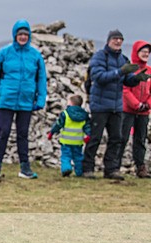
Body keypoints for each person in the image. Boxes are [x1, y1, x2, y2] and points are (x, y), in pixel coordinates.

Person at [83, 29, 149, 180]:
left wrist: (138, 78)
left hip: (116, 106)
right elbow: (98, 77)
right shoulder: (100, 56)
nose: (118, 41)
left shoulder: (123, 59)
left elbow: (127, 81)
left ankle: (111, 170)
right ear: (108, 40)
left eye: (120, 39)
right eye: (115, 39)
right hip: (99, 105)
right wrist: (120, 72)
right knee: (95, 137)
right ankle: (87, 168)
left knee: (116, 138)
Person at [0, 20, 47, 180]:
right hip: (6, 98)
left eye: (26, 35)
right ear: (15, 35)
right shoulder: (5, 53)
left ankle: (25, 168)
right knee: (3, 132)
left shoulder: (35, 55)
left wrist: (41, 99)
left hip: (26, 100)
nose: (23, 37)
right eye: (20, 34)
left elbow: (41, 78)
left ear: (29, 36)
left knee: (23, 134)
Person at [120, 40, 151, 178]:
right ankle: (114, 165)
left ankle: (140, 167)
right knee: (122, 137)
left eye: (147, 52)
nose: (146, 54)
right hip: (128, 110)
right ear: (136, 52)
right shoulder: (130, 68)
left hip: (144, 112)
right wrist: (136, 104)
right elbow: (125, 89)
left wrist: (147, 104)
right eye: (143, 51)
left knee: (140, 139)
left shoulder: (150, 71)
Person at [47, 94, 91, 177]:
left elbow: (58, 125)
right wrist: (88, 136)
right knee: (78, 157)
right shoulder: (84, 115)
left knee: (66, 156)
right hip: (78, 142)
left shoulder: (65, 114)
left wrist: (51, 133)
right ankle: (79, 172)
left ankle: (66, 169)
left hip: (66, 141)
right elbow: (87, 127)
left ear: (70, 103)